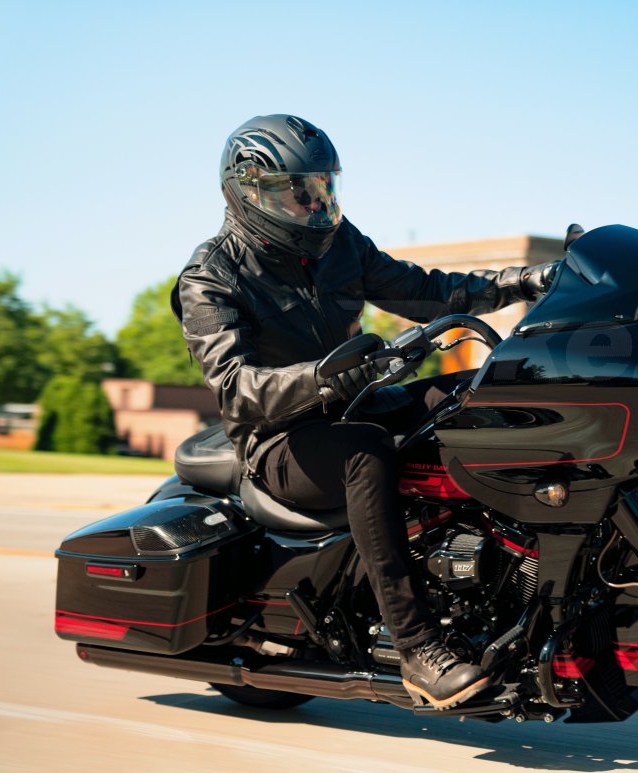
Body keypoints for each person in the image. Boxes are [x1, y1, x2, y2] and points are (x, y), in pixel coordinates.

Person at [173, 114, 556, 709]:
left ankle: (516, 580)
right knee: (366, 452)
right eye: (293, 191)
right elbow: (235, 388)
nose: (312, 202)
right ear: (247, 191)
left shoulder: (339, 244)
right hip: (280, 441)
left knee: (467, 395)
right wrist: (318, 378)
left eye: (321, 186)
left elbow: (428, 289)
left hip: (354, 402)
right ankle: (417, 645)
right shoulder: (212, 275)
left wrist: (524, 280)